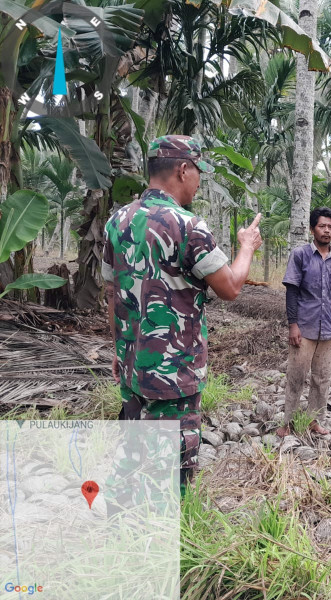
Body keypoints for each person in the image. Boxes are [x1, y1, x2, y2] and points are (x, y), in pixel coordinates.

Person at [102, 135, 262, 494]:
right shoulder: (189, 226)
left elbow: (114, 294)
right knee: (175, 463)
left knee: (135, 447)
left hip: (132, 363)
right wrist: (247, 246)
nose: (199, 182)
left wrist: (117, 350)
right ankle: (168, 534)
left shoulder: (117, 222)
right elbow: (231, 287)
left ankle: (129, 517)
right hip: (174, 371)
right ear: (182, 169)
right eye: (198, 173)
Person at [277, 207, 331, 438]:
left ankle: (314, 421)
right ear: (312, 229)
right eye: (322, 226)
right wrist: (293, 325)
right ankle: (288, 422)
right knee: (296, 375)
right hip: (305, 326)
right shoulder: (300, 255)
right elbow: (292, 291)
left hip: (328, 328)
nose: (326, 230)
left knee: (322, 378)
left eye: (330, 227)